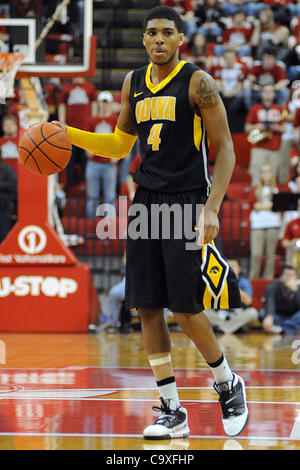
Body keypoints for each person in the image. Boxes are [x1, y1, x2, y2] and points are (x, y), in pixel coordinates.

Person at [52, 5, 248, 440]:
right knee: (146, 306)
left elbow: (226, 150)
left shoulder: (198, 82)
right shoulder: (132, 82)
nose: (158, 40)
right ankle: (171, 408)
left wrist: (212, 208)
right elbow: (121, 144)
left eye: (166, 33)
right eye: (151, 33)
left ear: (180, 39)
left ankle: (226, 382)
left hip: (187, 200)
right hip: (146, 202)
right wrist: (71, 135)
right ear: (143, 39)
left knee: (185, 306)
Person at [58, 77, 98, 186]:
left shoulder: (89, 87)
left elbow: (94, 103)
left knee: (85, 155)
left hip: (85, 127)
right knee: (70, 154)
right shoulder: (66, 88)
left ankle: (85, 180)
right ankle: (69, 181)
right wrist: (62, 121)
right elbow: (62, 105)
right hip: (71, 127)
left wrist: (93, 121)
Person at [85, 91, 118, 218]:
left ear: (110, 104)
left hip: (109, 163)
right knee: (92, 195)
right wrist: (88, 152)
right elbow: (86, 138)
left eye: (107, 103)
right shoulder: (91, 120)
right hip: (94, 162)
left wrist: (116, 157)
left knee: (109, 195)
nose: (104, 105)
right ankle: (90, 223)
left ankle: (110, 224)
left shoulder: (116, 120)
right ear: (99, 103)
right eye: (102, 102)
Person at [245, 83, 286, 187]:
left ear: (274, 94)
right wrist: (259, 126)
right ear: (261, 94)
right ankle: (256, 201)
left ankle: (270, 201)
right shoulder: (255, 108)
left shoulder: (279, 109)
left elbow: (284, 128)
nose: (268, 94)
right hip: (258, 148)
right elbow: (247, 128)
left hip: (274, 149)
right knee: (256, 177)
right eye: (266, 91)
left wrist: (274, 127)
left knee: (272, 180)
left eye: (271, 91)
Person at [204, 259, 258, 334]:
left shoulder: (244, 282)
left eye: (233, 266)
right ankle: (230, 328)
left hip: (237, 314)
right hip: (219, 314)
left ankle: (223, 328)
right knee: (203, 312)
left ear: (239, 269)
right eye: (228, 266)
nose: (230, 269)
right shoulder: (217, 280)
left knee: (253, 313)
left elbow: (248, 301)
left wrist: (233, 283)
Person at [248, 164, 281, 279]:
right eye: (263, 172)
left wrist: (262, 206)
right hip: (258, 225)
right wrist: (270, 206)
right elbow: (253, 205)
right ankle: (254, 277)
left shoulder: (278, 188)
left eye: (268, 171)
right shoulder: (255, 189)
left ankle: (268, 278)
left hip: (273, 224)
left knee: (270, 255)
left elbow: (280, 205)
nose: (265, 174)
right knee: (256, 254)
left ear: (272, 174)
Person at [261, 265, 300, 334]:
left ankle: (282, 329)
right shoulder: (272, 286)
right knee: (262, 313)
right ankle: (290, 328)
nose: (289, 278)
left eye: (292, 275)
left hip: (294, 317)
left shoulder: (298, 288)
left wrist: (295, 291)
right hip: (278, 316)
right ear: (281, 276)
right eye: (287, 275)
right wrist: (269, 316)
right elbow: (270, 302)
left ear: (296, 277)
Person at [0, 147, 18, 242]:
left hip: (4, 209)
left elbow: (14, 187)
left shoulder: (7, 170)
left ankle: (3, 256)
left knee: (4, 235)